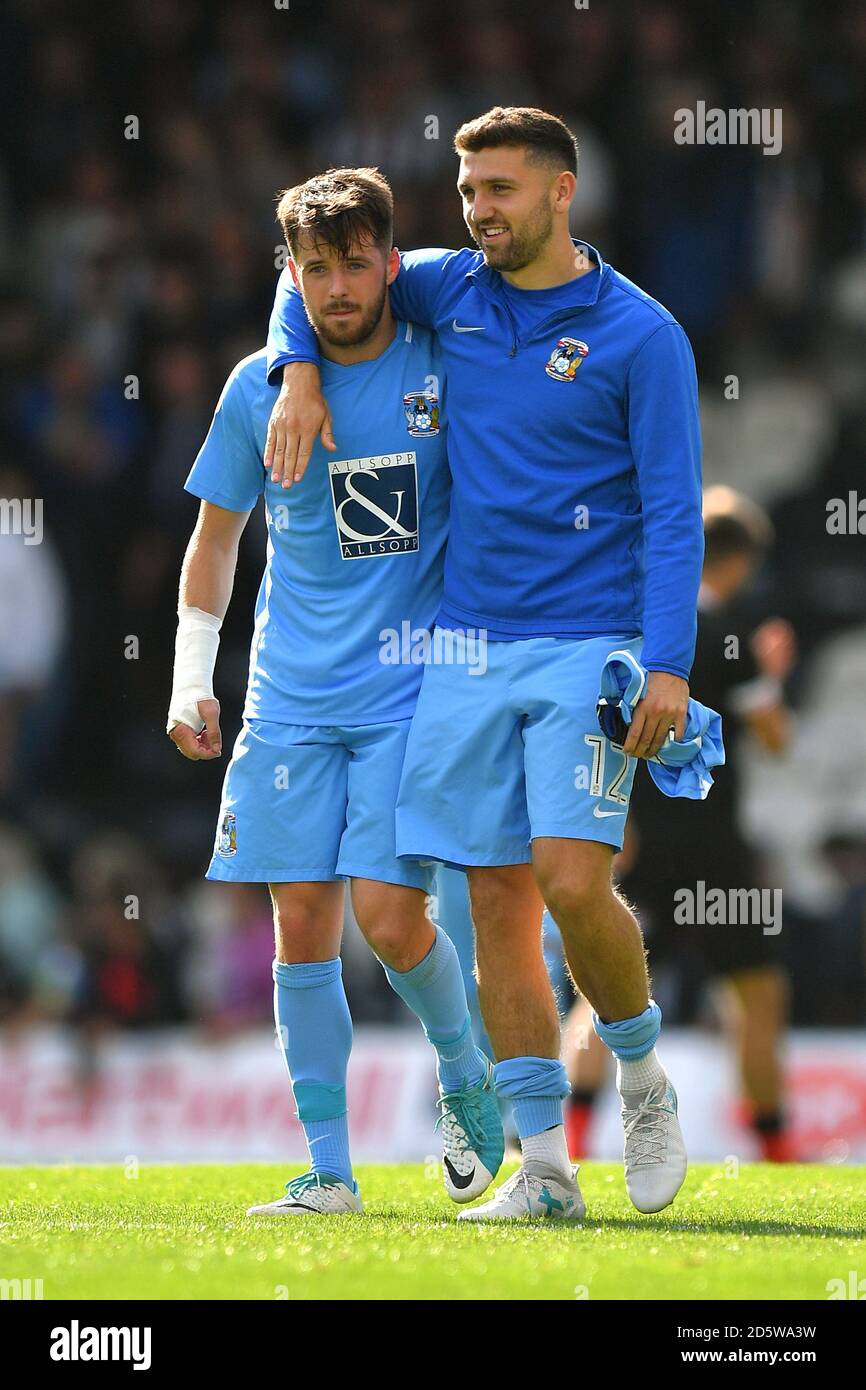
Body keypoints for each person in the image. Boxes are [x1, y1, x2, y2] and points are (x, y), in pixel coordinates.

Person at [264, 107, 704, 1220]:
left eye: (499, 190)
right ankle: (544, 1172)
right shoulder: (449, 287)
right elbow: (314, 269)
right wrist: (300, 370)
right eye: (467, 193)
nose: (477, 212)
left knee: (568, 881)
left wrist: (667, 663)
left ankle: (642, 1076)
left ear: (561, 192)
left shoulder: (640, 334)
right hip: (464, 648)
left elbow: (671, 511)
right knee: (495, 909)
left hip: (587, 644)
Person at [166, 167, 502, 1217]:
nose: (338, 285)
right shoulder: (257, 385)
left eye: (356, 261)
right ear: (293, 275)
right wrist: (189, 673)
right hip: (286, 700)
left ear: (389, 260)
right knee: (298, 923)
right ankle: (329, 1172)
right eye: (315, 267)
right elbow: (214, 540)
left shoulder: (447, 359)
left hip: (409, 692)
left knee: (393, 922)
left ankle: (465, 1069)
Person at [564, 487, 796, 1162]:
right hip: (714, 846)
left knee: (608, 995)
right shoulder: (730, 633)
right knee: (758, 991)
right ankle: (777, 1149)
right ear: (743, 561)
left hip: (640, 837)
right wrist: (773, 678)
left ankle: (571, 1141)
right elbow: (775, 738)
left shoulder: (641, 628)